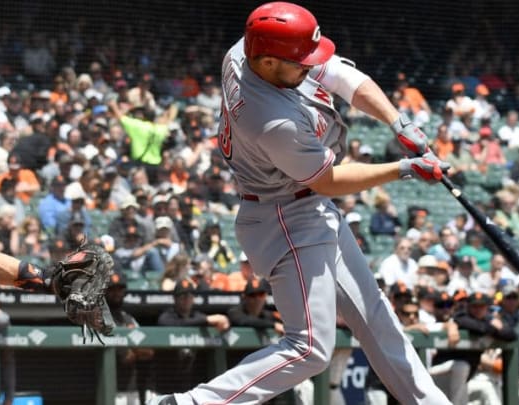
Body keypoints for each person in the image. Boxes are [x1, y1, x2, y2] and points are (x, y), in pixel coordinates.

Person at [148, 3, 451, 404]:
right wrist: (404, 168)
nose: (309, 68)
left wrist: (398, 121)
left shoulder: (247, 51)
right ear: (270, 61)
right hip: (286, 216)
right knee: (310, 348)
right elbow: (327, 180)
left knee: (377, 319)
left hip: (300, 206)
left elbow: (339, 74)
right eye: (300, 63)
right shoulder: (273, 119)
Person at [106, 273, 155, 404]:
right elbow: (126, 357)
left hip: (131, 388)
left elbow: (149, 351)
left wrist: (135, 350)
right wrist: (135, 350)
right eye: (112, 289)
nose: (117, 293)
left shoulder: (128, 318)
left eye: (120, 289)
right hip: (109, 388)